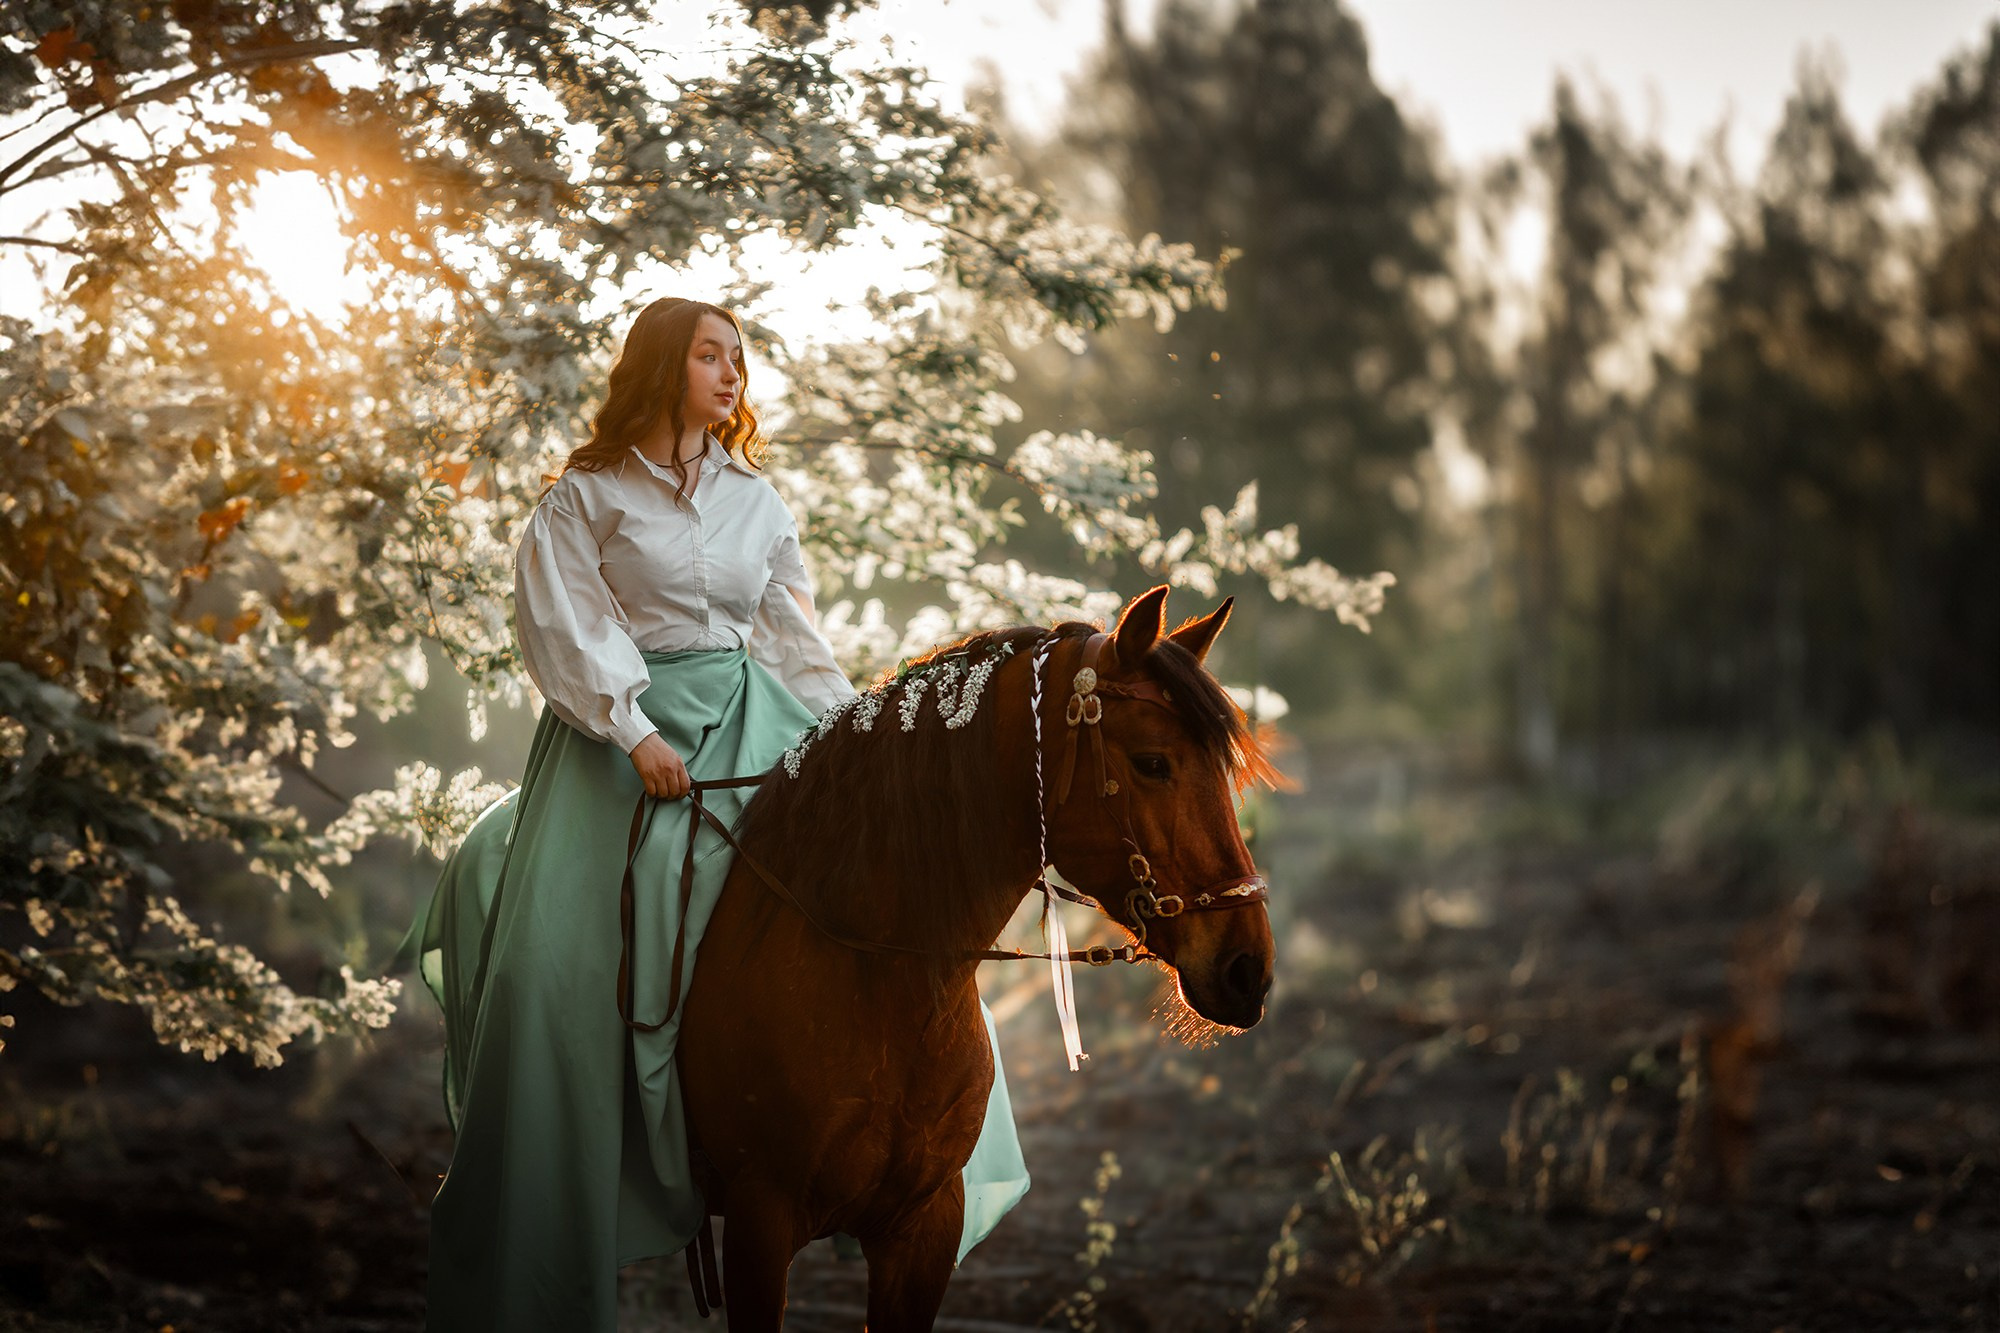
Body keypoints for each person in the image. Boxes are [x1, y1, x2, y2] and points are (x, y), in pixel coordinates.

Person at [407, 297, 1028, 1331]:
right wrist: (634, 732)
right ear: (663, 366)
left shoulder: (756, 500)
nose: (730, 372)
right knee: (550, 961)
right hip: (625, 738)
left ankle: (929, 1125)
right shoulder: (584, 499)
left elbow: (790, 637)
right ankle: (564, 1169)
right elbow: (565, 626)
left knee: (873, 906)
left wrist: (862, 740)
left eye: (737, 357)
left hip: (751, 718)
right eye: (709, 354)